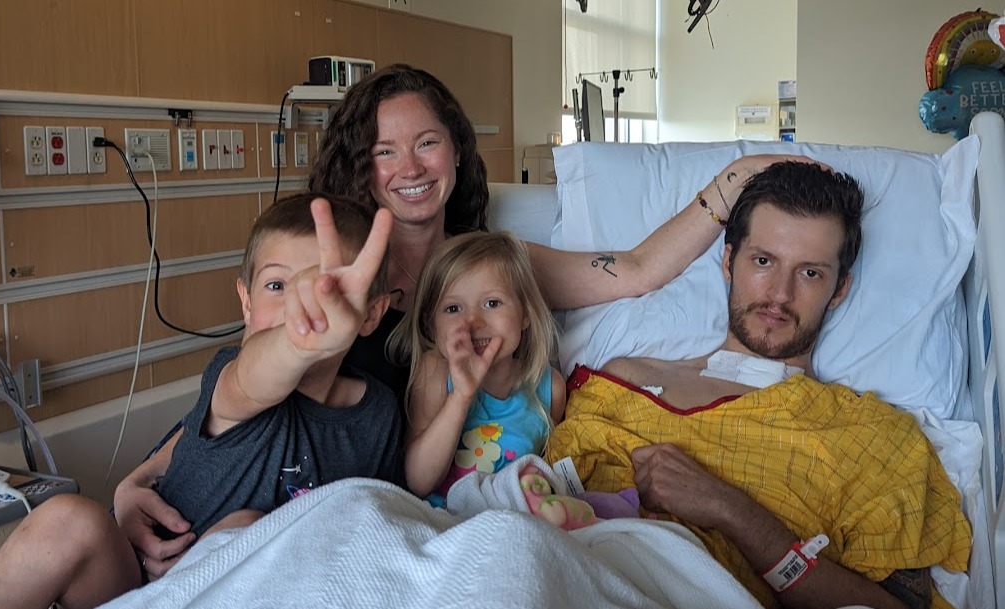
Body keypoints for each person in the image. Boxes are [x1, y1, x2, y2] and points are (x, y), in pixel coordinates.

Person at [115, 61, 818, 578]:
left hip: (397, 523)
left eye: (426, 141)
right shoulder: (331, 271)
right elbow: (250, 389)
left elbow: (635, 269)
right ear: (360, 167)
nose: (409, 166)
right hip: (284, 517)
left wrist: (732, 181)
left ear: (455, 149)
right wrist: (140, 476)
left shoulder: (496, 266)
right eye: (384, 150)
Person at [545, 161, 972, 609]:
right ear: (729, 262)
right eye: (764, 261)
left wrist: (732, 511)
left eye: (810, 273)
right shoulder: (619, 383)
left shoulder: (873, 439)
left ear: (840, 289)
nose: (780, 294)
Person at [0, 193, 401, 609]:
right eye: (276, 286)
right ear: (245, 301)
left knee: (250, 530)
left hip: (248, 590)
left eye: (323, 289)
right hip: (138, 583)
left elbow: (376, 525)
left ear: (371, 313)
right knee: (66, 520)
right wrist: (299, 343)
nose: (297, 310)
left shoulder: (378, 413)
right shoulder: (234, 381)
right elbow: (255, 378)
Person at [390, 231, 565, 505]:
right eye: (453, 309)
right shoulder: (435, 372)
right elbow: (418, 482)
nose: (472, 322)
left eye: (492, 303)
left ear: (525, 314)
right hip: (445, 521)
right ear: (430, 324)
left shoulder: (550, 388)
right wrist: (461, 397)